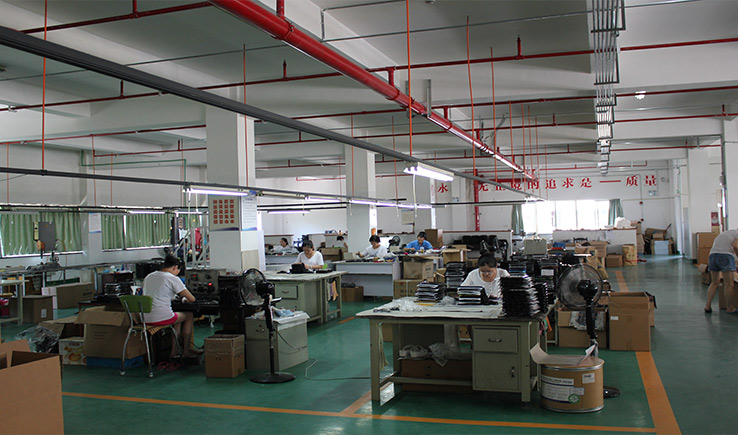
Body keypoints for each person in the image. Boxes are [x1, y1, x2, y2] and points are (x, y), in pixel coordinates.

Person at [142, 256, 202, 358]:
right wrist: (184, 300)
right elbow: (192, 299)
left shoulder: (149, 276)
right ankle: (186, 350)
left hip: (144, 318)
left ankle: (174, 351)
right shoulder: (172, 278)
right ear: (175, 267)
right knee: (189, 315)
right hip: (160, 317)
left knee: (177, 318)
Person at [705, 229, 738, 313]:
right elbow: (735, 246)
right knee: (729, 284)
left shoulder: (727, 233)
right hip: (725, 256)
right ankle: (729, 307)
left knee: (714, 282)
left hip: (712, 256)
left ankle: (707, 306)